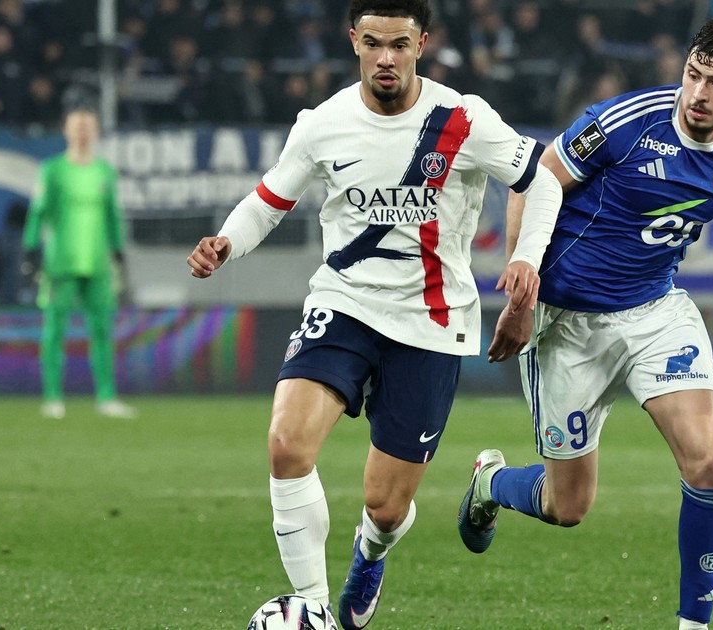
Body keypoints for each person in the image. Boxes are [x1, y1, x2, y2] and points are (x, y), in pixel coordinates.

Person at [185, 1, 561, 628]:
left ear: (422, 45)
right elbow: (270, 200)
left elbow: (541, 180)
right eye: (374, 44)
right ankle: (312, 606)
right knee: (286, 443)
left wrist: (526, 260)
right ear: (354, 41)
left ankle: (371, 550)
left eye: (400, 45)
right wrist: (227, 241)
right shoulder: (323, 123)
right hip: (344, 304)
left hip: (431, 322)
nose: (386, 58)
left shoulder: (462, 118)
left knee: (385, 507)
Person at [456, 12, 713, 630]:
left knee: (709, 463)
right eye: (693, 74)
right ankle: (491, 483)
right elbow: (533, 182)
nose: (698, 93)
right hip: (567, 323)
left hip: (656, 313)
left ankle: (693, 624)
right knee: (568, 506)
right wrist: (521, 297)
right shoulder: (627, 122)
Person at [22, 107, 136, 421]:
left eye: (88, 126)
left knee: (102, 330)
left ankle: (106, 397)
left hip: (98, 263)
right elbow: (37, 212)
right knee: (54, 330)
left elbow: (112, 215)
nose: (83, 132)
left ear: (96, 131)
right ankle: (53, 398)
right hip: (61, 262)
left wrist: (118, 250)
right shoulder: (53, 170)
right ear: (66, 131)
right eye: (77, 126)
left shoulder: (105, 172)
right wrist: (30, 248)